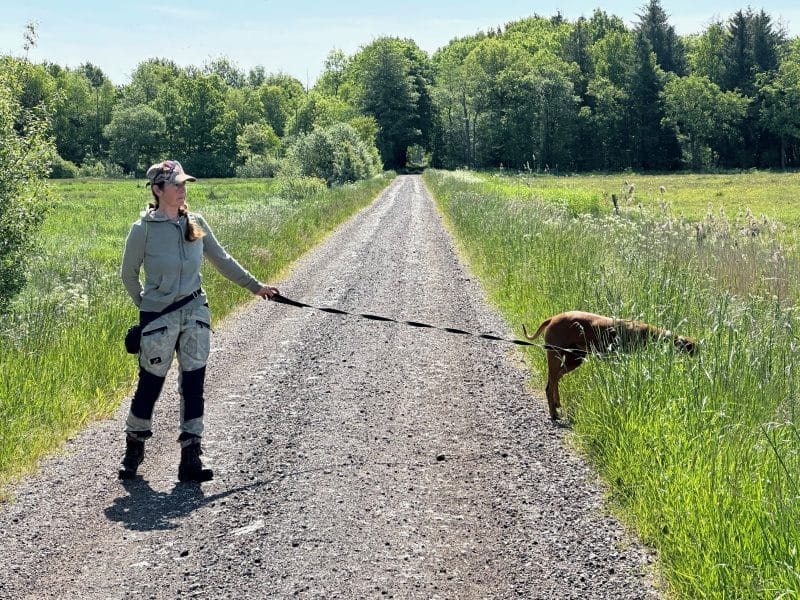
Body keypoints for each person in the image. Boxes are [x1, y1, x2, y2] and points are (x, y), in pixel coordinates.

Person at [119, 159, 279, 482]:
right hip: (158, 321)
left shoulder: (195, 222)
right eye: (176, 184)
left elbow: (222, 259)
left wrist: (256, 287)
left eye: (183, 184)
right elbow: (128, 275)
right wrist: (148, 308)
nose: (182, 189)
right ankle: (133, 450)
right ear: (158, 189)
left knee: (193, 386)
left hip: (195, 314)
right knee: (149, 387)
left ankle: (190, 458)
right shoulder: (143, 230)